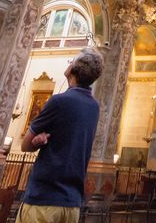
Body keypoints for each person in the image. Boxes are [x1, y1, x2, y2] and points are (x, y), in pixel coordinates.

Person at [17, 48, 104, 223]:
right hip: (72, 204)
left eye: (71, 61)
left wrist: (35, 142)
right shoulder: (94, 107)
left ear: (74, 70)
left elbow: (25, 146)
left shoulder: (59, 101)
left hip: (44, 199)